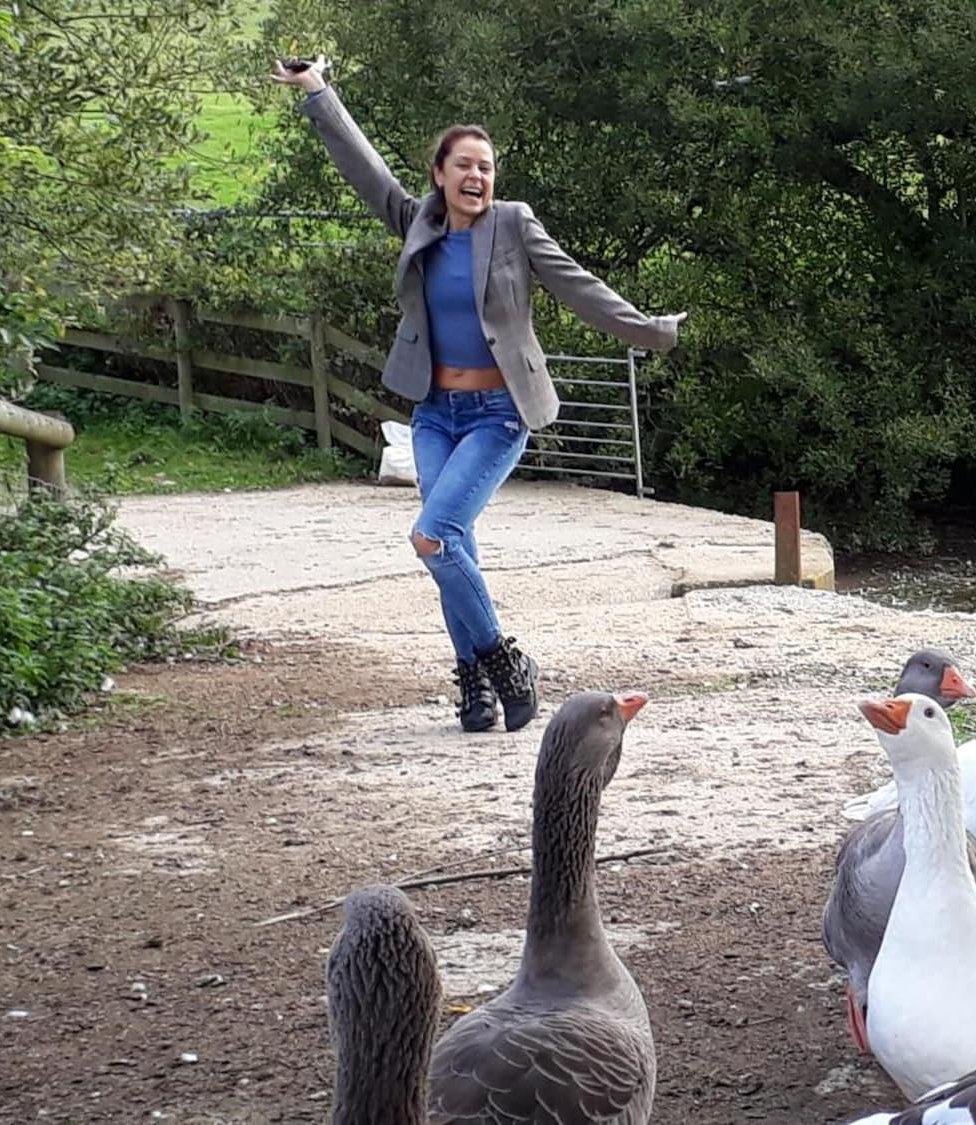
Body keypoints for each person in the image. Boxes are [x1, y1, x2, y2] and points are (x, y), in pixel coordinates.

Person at [270, 56, 686, 735]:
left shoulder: (514, 224)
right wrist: (317, 92)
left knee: (433, 536)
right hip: (435, 414)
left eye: (486, 167)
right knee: (452, 547)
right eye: (463, 164)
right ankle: (476, 684)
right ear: (440, 173)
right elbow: (362, 167)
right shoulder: (417, 222)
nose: (476, 176)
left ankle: (502, 662)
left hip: (498, 413)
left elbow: (577, 285)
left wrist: (650, 329)